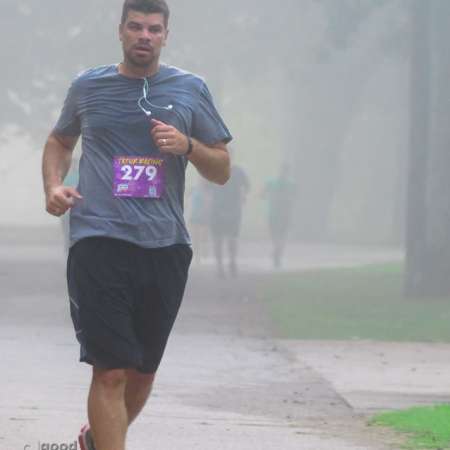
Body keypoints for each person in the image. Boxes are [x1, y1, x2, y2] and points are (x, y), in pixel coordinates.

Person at [41, 1, 231, 449]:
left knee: (141, 374)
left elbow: (221, 169)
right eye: (135, 27)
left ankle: (94, 441)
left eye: (153, 28)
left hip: (165, 246)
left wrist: (187, 146)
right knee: (110, 370)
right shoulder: (88, 86)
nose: (144, 35)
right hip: (99, 240)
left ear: (166, 35)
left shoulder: (190, 89)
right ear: (121, 32)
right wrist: (53, 185)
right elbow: (59, 140)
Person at [209, 163, 250, 278]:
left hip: (233, 209)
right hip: (217, 210)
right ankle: (220, 266)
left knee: (232, 238)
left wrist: (243, 197)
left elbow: (246, 186)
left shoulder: (238, 171)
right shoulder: (213, 168)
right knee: (218, 239)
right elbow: (205, 186)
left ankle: (232, 261)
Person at [262, 163, 296, 268]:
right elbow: (294, 198)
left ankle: (276, 252)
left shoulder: (271, 182)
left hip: (274, 213)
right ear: (288, 172)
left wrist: (268, 196)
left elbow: (262, 194)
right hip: (284, 213)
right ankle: (277, 252)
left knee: (275, 235)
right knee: (282, 235)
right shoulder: (291, 184)